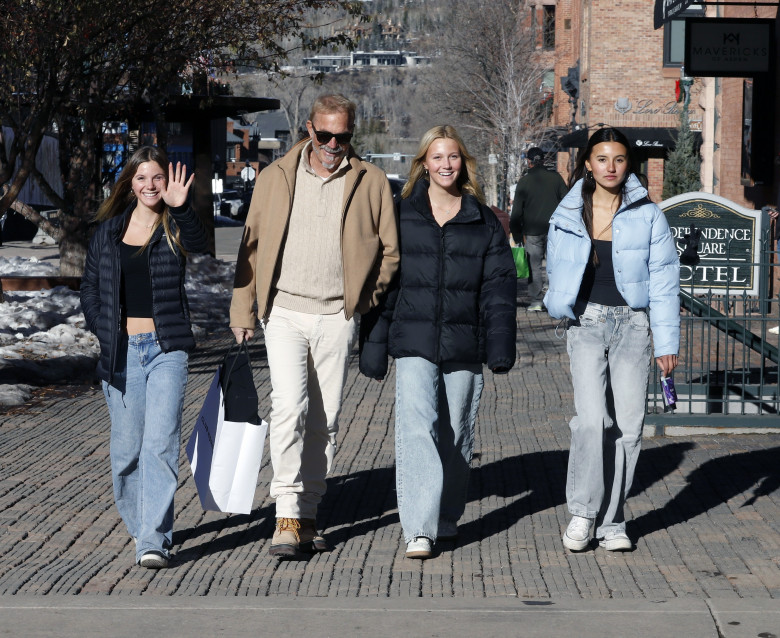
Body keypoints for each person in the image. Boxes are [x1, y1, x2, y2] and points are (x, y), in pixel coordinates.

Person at [229, 93, 399, 559]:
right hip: (283, 311)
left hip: (335, 317)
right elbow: (250, 245)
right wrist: (242, 311)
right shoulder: (276, 177)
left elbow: (390, 250)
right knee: (289, 409)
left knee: (326, 421)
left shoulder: (371, 181)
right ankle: (285, 514)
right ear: (308, 129)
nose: (332, 144)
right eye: (324, 135)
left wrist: (363, 299)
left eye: (342, 137)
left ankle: (308, 513)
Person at [359, 125, 517, 559]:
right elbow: (383, 283)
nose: (446, 164)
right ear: (423, 164)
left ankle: (446, 516)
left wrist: (500, 345)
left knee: (456, 431)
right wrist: (373, 345)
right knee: (416, 429)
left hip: (465, 343)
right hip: (413, 340)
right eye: (437, 157)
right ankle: (419, 528)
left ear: (463, 163)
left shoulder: (484, 220)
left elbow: (499, 289)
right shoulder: (400, 213)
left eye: (453, 157)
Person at [544, 127, 680, 552]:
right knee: (590, 422)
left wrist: (666, 342)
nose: (611, 167)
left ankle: (613, 520)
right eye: (602, 159)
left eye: (619, 160)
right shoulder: (567, 213)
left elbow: (664, 281)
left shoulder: (648, 214)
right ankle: (583, 513)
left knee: (629, 428)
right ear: (588, 163)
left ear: (629, 165)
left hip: (634, 326)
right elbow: (556, 265)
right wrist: (558, 302)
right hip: (586, 324)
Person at [80, 146, 206, 569]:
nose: (150, 186)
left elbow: (201, 244)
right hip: (122, 352)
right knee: (127, 452)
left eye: (157, 178)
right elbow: (90, 290)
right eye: (142, 179)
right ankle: (142, 527)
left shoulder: (174, 225)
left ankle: (153, 538)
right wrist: (104, 329)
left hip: (166, 348)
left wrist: (182, 207)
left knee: (160, 443)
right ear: (129, 184)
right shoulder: (109, 232)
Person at [510, 147, 568, 312]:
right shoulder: (556, 178)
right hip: (554, 230)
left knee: (534, 267)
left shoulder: (524, 181)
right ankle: (555, 299)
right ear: (543, 160)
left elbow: (516, 212)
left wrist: (517, 234)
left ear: (529, 161)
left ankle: (536, 301)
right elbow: (567, 201)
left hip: (532, 231)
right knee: (554, 265)